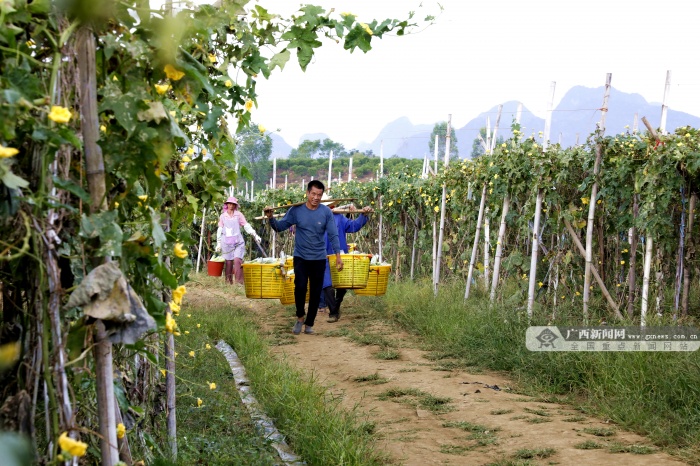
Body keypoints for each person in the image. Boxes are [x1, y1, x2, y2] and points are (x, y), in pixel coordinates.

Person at [264, 180, 343, 335]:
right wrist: (271, 218)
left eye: (319, 195)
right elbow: (280, 227)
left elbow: (333, 235)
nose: (316, 197)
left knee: (315, 292)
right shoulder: (296, 211)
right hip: (301, 257)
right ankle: (300, 316)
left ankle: (309, 323)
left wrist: (338, 256)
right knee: (299, 288)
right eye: (313, 194)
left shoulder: (326, 212)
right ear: (307, 193)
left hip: (319, 258)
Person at [321, 196, 373, 323]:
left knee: (342, 286)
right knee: (327, 285)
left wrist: (363, 215)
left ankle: (336, 307)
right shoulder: (315, 219)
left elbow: (354, 226)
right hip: (322, 256)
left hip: (340, 256)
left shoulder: (339, 217)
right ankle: (333, 312)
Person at [216, 197, 261, 285]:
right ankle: (228, 282)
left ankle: (239, 283)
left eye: (233, 204)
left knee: (237, 260)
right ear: (227, 205)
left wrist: (255, 234)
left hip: (238, 243)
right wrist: (218, 243)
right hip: (226, 243)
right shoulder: (223, 216)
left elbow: (246, 225)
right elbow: (220, 229)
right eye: (229, 204)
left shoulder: (238, 215)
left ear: (235, 205)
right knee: (228, 262)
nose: (231, 206)